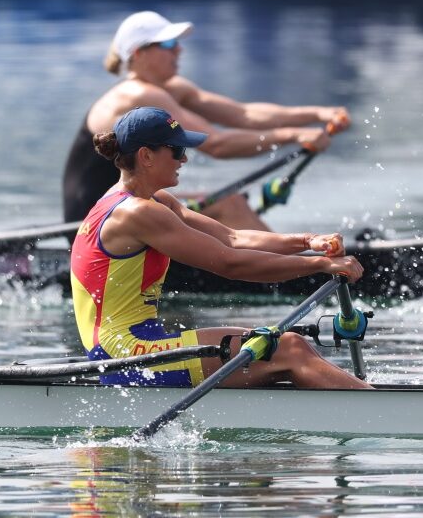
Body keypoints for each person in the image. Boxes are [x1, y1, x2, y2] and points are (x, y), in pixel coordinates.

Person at [70, 106, 370, 390]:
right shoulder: (137, 213)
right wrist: (317, 266)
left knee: (289, 347)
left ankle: (356, 398)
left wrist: (308, 242)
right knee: (290, 348)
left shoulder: (150, 200)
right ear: (146, 156)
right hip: (125, 354)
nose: (184, 159)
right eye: (177, 150)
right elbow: (230, 264)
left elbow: (232, 238)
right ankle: (380, 409)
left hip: (139, 343)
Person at [62, 10, 351, 230]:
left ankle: (283, 260)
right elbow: (218, 145)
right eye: (170, 43)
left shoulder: (169, 88)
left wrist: (317, 114)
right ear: (139, 53)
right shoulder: (137, 94)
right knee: (227, 202)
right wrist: (295, 136)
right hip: (91, 221)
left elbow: (243, 114)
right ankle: (298, 273)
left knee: (225, 200)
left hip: (125, 203)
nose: (179, 50)